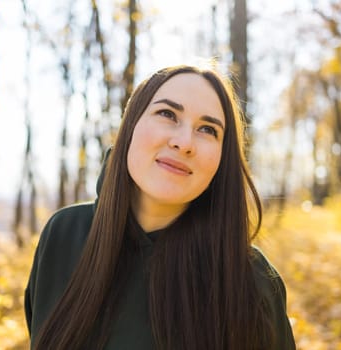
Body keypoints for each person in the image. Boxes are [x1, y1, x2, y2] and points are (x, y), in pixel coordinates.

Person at [24, 65, 296, 349]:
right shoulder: (63, 235)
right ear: (131, 126)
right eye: (167, 114)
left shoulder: (251, 280)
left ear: (221, 160)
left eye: (207, 129)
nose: (184, 143)